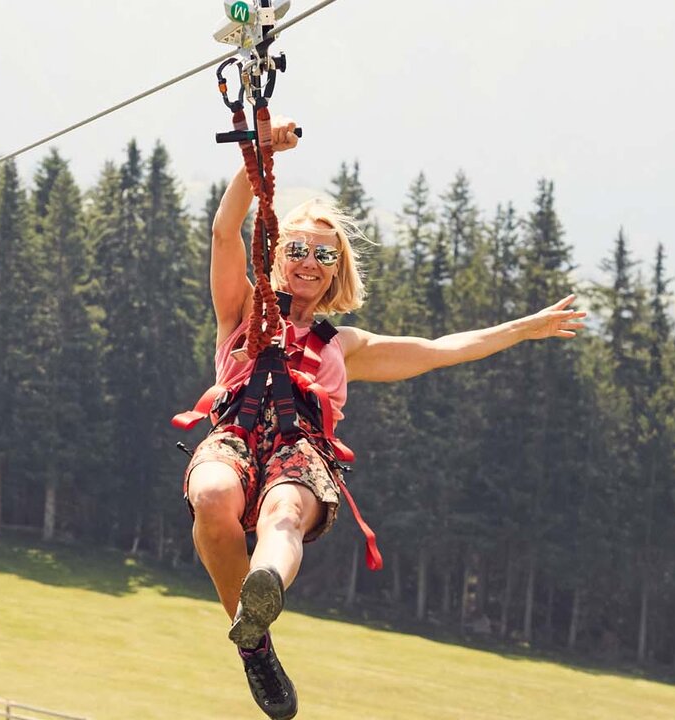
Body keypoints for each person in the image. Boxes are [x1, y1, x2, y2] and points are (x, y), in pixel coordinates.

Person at [181, 118, 586, 719]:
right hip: (236, 434)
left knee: (285, 513)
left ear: (336, 269)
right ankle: (255, 643)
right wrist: (259, 157)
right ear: (279, 256)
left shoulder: (346, 345)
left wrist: (524, 329)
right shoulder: (241, 308)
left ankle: (263, 592)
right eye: (296, 249)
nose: (309, 262)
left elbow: (444, 348)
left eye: (324, 254)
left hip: (300, 452)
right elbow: (224, 232)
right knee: (213, 495)